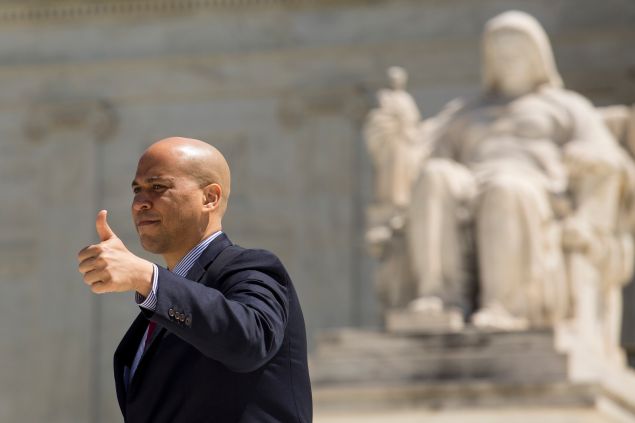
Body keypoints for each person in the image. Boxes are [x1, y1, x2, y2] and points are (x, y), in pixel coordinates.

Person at [406, 11, 635, 329]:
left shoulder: (566, 106)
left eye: (516, 50)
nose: (507, 58)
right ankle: (439, 297)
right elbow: (420, 153)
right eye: (499, 51)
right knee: (434, 177)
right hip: (469, 179)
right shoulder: (465, 111)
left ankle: (506, 307)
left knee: (505, 187)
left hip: (536, 187)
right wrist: (393, 137)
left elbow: (612, 158)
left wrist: (587, 155)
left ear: (537, 56)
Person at [77, 137, 312, 422]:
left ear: (210, 197)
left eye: (157, 187)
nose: (139, 202)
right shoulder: (158, 308)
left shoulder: (253, 267)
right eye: (137, 190)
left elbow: (251, 341)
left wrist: (147, 277)